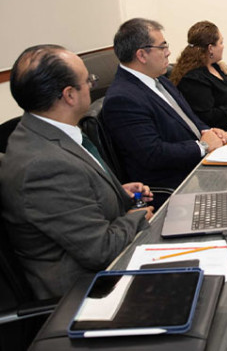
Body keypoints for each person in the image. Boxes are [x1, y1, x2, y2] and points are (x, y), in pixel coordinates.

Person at [0, 45, 154, 299]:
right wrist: (136, 216)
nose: (92, 85)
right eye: (88, 80)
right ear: (69, 95)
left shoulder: (42, 131)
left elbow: (73, 196)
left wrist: (115, 192)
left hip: (107, 264)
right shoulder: (44, 166)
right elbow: (102, 250)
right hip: (90, 290)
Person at [103, 18, 227, 189]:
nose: (168, 52)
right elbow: (152, 154)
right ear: (142, 55)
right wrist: (203, 146)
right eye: (162, 47)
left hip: (199, 167)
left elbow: (189, 118)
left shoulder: (160, 79)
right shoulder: (122, 99)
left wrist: (209, 131)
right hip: (176, 184)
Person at [170, 21, 227, 131]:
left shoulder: (216, 66)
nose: (223, 46)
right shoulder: (193, 78)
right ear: (210, 48)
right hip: (212, 133)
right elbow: (207, 117)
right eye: (221, 42)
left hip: (226, 128)